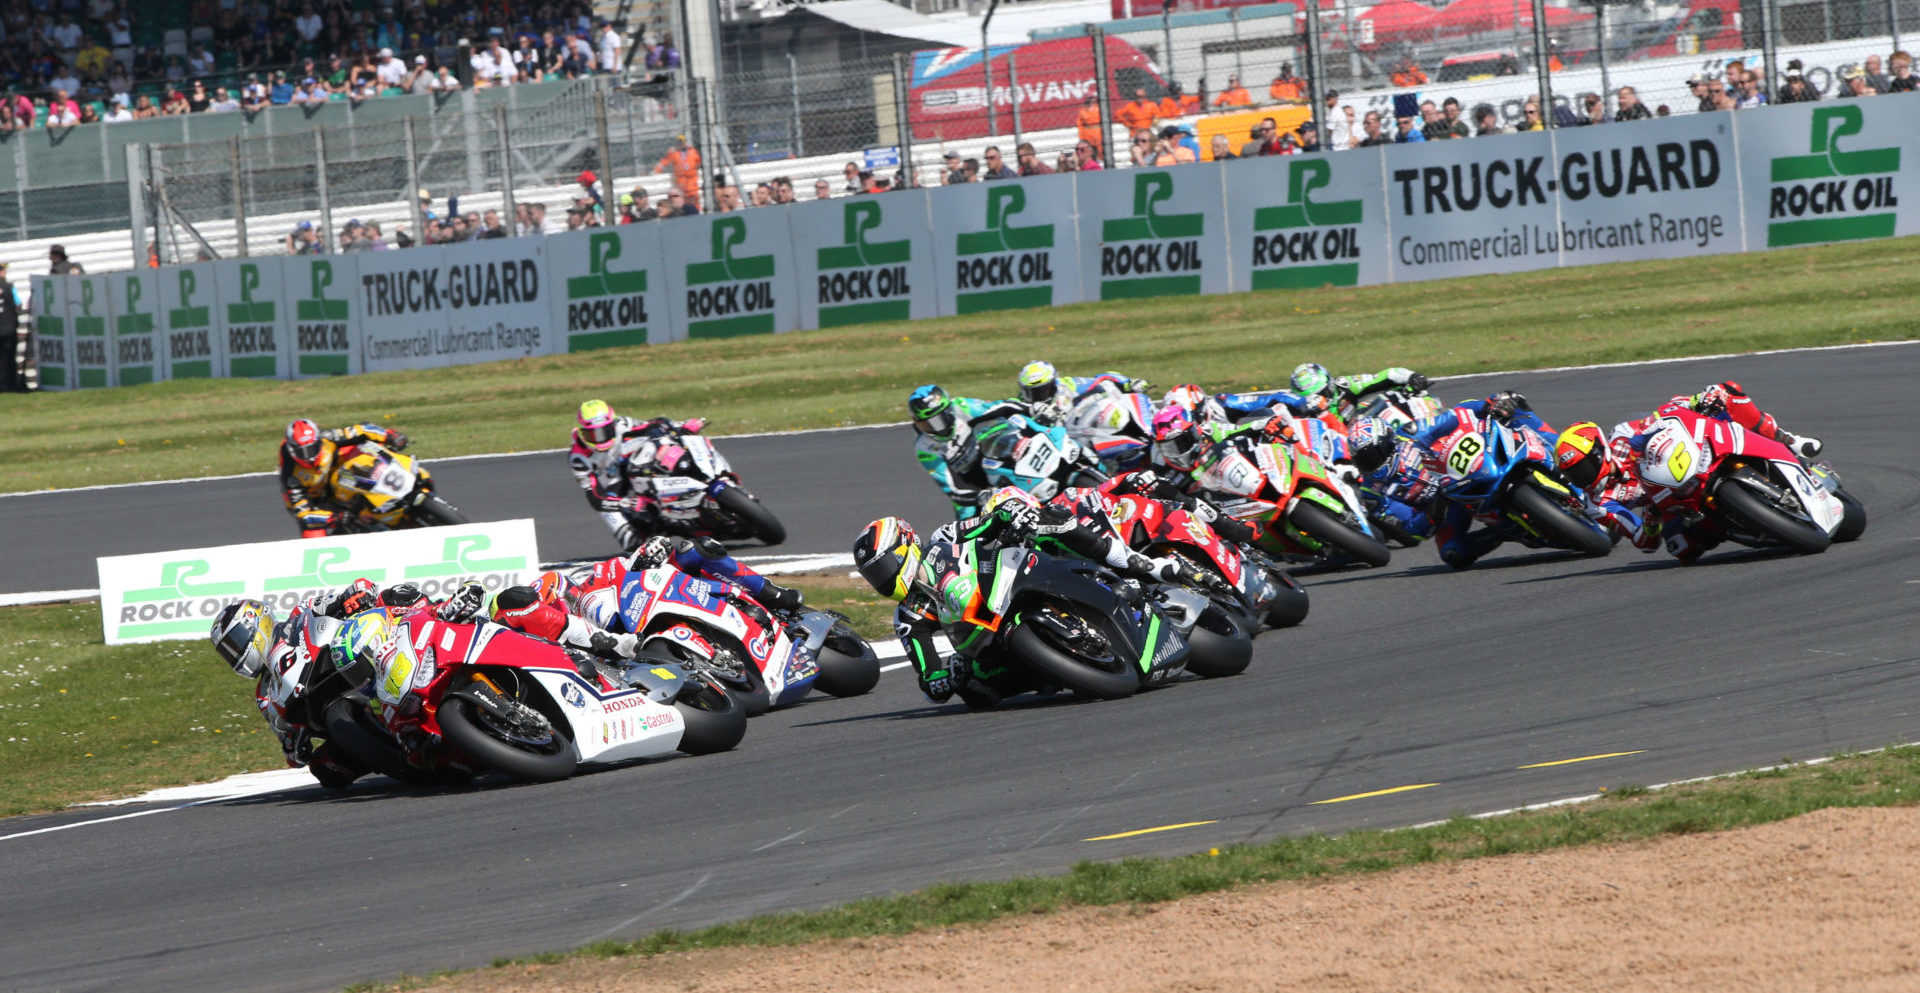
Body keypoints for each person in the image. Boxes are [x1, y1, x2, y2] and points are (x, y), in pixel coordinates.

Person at [851, 497, 1206, 708]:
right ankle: (1055, 669)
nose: (882, 578)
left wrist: (1008, 514)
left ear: (905, 544)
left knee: (1052, 520)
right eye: (874, 575)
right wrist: (946, 678)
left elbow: (985, 523)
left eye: (883, 566)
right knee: (976, 692)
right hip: (990, 640)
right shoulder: (909, 616)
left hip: (1012, 576)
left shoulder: (944, 539)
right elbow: (929, 678)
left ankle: (1136, 564)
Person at [1404, 391, 1552, 568]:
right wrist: (1431, 514)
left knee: (1517, 406)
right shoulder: (1402, 473)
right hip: (1454, 493)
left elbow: (1492, 401)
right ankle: (1506, 530)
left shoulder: (1460, 411)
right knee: (1453, 553)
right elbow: (1414, 531)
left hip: (1493, 453)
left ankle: (1559, 455)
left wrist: (1501, 403)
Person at [568, 398, 708, 550]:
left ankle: (695, 486)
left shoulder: (622, 424)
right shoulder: (578, 458)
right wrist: (625, 503)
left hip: (631, 467)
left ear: (612, 424)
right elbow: (595, 498)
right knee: (631, 544)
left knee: (658, 445)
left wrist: (682, 426)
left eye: (604, 431)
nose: (599, 438)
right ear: (582, 431)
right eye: (592, 434)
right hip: (611, 491)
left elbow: (653, 425)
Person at [279, 419, 410, 537]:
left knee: (362, 449)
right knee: (312, 533)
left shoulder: (327, 438)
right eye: (302, 452)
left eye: (312, 449)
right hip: (319, 503)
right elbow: (304, 515)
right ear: (291, 450)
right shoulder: (291, 476)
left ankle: (400, 481)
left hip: (338, 479)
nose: (309, 457)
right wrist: (336, 517)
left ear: (318, 440)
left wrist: (389, 435)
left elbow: (361, 430)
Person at [908, 384, 1024, 516]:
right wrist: (980, 497)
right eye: (927, 424)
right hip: (969, 486)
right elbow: (952, 488)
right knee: (967, 521)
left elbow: (999, 407)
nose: (937, 429)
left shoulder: (961, 406)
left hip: (992, 462)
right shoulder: (924, 449)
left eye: (939, 421)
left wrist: (1028, 409)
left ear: (948, 410)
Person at [1017, 360, 1148, 425]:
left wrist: (1127, 383)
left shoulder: (1067, 385)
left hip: (1080, 429)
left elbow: (1102, 379)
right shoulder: (1021, 403)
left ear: (1053, 383)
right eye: (1032, 392)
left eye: (1043, 389)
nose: (1039, 395)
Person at [1288, 362, 1431, 422]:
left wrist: (1412, 377)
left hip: (1360, 434)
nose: (1321, 399)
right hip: (1332, 454)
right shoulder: (1298, 413)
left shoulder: (1343, 385)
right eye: (1314, 397)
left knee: (1396, 393)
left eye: (1323, 393)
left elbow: (1383, 376)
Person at [653, 134, 702, 203]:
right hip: (681, 182)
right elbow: (664, 162)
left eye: (683, 142)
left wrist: (693, 170)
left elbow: (698, 162)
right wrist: (656, 171)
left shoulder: (693, 151)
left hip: (692, 181)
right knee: (683, 201)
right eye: (680, 142)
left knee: (695, 201)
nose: (682, 144)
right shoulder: (674, 153)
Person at [0, 260, 19, 393]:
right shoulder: (8, 286)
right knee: (9, 357)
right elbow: (18, 304)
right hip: (8, 327)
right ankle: (10, 385)